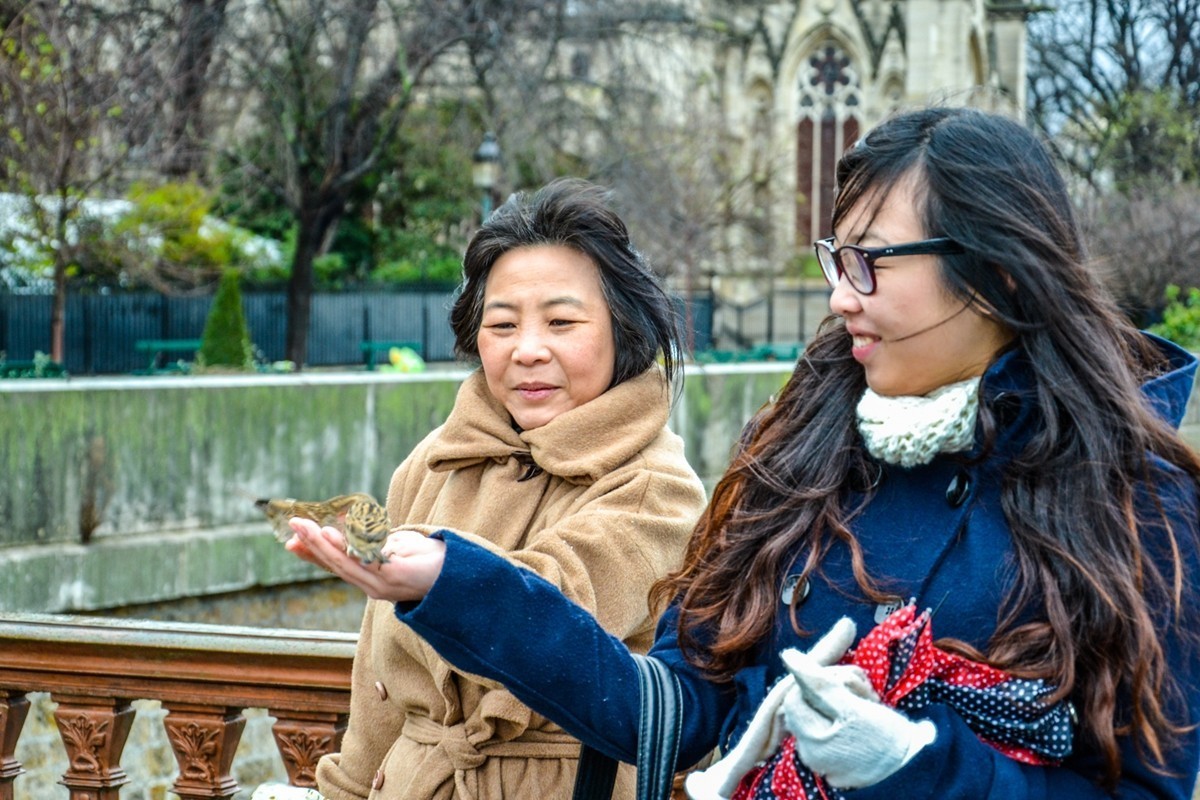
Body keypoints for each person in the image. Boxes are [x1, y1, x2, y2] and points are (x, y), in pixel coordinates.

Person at [291, 107, 1200, 799]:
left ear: (998, 271)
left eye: (871, 263)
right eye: (834, 260)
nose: (841, 297)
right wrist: (452, 584)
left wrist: (914, 767)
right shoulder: (800, 458)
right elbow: (672, 713)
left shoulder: (1139, 502)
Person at [286, 178, 707, 800]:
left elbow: (558, 604)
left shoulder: (656, 488)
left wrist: (442, 578)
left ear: (625, 330)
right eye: (502, 324)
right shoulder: (434, 462)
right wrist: (347, 790)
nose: (527, 350)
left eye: (562, 322)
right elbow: (378, 682)